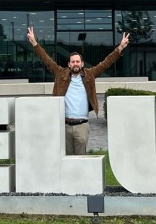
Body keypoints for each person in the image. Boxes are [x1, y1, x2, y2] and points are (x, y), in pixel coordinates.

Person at [26, 27, 130, 155]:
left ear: (82, 64)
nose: (75, 64)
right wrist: (34, 43)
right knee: (66, 159)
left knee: (81, 160)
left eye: (78, 61)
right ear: (69, 64)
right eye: (73, 62)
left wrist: (120, 47)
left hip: (82, 126)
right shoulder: (61, 73)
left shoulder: (90, 74)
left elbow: (106, 63)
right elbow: (47, 60)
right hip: (64, 125)